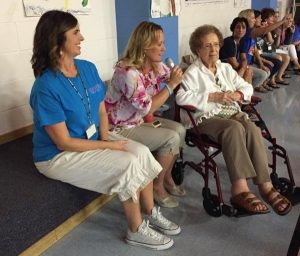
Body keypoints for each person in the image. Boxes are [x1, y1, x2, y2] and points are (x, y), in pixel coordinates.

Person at [29, 10, 181, 251]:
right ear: (57, 41)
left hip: (90, 138)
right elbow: (64, 143)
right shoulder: (45, 87)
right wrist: (109, 146)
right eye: (76, 32)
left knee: (140, 153)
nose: (83, 37)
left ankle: (151, 211)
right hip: (57, 155)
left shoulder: (87, 68)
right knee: (127, 164)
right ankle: (135, 229)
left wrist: (105, 136)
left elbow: (101, 109)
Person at [175, 24, 292, 216]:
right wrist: (213, 97)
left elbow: (247, 87)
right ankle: (240, 190)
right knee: (233, 129)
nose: (213, 50)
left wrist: (238, 94)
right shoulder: (192, 73)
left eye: (215, 45)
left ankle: (266, 186)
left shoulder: (226, 68)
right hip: (205, 117)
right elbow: (181, 98)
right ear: (197, 49)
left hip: (231, 112)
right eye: (207, 46)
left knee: (252, 129)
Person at [105, 21, 186, 208]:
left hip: (138, 121)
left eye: (163, 43)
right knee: (171, 138)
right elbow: (147, 108)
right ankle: (157, 187)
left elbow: (173, 76)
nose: (164, 48)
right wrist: (172, 85)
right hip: (118, 128)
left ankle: (165, 177)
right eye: (159, 44)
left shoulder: (155, 65)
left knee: (180, 129)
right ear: (144, 45)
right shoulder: (127, 72)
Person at [219, 17, 253, 84]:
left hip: (235, 68)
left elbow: (244, 59)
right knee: (248, 71)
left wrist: (243, 69)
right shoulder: (229, 42)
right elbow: (234, 64)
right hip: (224, 69)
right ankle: (244, 92)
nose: (241, 30)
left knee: (248, 71)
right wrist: (243, 68)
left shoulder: (241, 41)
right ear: (233, 28)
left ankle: (247, 92)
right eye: (238, 27)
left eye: (243, 27)